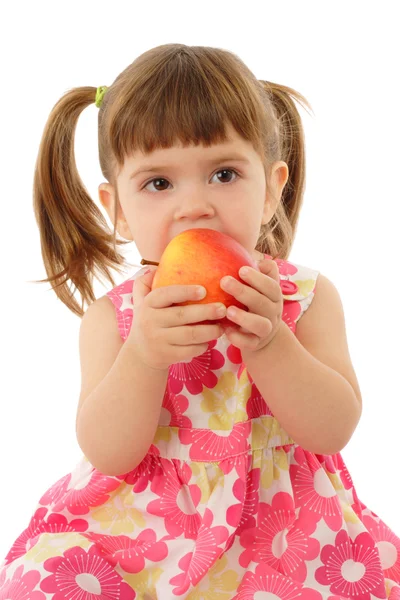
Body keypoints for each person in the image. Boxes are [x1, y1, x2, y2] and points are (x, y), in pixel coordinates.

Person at [0, 43, 399, 600]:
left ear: (272, 188)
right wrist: (143, 355)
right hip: (143, 532)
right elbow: (109, 453)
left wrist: (272, 344)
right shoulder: (113, 319)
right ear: (117, 209)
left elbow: (333, 429)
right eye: (159, 184)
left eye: (225, 174)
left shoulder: (304, 298)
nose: (195, 206)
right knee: (42, 584)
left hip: (282, 531)